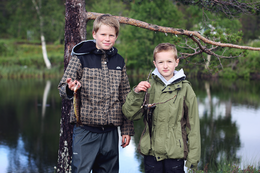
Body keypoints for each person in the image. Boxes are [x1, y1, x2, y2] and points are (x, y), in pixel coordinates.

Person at [58, 14, 134, 173]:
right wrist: (70, 87)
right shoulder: (81, 58)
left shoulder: (119, 61)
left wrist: (126, 129)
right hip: (86, 131)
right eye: (103, 34)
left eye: (111, 35)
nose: (107, 38)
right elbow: (62, 87)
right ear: (94, 34)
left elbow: (125, 96)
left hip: (111, 134)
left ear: (116, 36)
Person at [122, 43, 201, 173]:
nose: (165, 66)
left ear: (176, 62)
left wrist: (193, 159)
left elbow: (193, 126)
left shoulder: (186, 88)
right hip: (151, 153)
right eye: (161, 62)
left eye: (169, 61)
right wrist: (136, 93)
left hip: (175, 153)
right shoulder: (148, 86)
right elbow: (130, 114)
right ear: (155, 63)